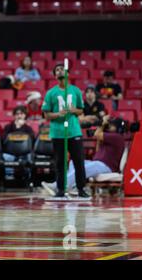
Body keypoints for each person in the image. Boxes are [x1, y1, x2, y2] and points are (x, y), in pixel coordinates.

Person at [41, 64, 90, 199]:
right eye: (57, 69)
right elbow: (46, 115)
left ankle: (81, 189)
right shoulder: (51, 93)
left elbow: (81, 110)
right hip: (57, 132)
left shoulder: (76, 91)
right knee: (60, 163)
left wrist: (74, 111)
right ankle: (61, 190)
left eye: (62, 69)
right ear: (55, 75)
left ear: (68, 73)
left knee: (79, 161)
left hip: (74, 131)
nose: (59, 71)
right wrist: (58, 114)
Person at [42, 116, 125, 195]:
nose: (109, 126)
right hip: (99, 163)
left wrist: (102, 124)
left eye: (112, 125)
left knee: (82, 168)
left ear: (117, 128)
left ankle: (58, 186)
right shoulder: (109, 137)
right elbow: (98, 148)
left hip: (106, 166)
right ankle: (73, 186)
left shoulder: (117, 137)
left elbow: (96, 134)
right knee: (73, 163)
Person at [1, 106, 35, 180]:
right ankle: (9, 177)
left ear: (25, 115)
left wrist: (21, 127)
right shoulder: (8, 127)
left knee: (29, 156)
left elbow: (32, 139)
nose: (19, 116)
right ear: (14, 116)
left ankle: (27, 177)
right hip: (10, 152)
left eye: (21, 114)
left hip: (24, 153)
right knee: (6, 156)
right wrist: (17, 127)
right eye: (17, 114)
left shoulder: (28, 128)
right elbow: (3, 139)